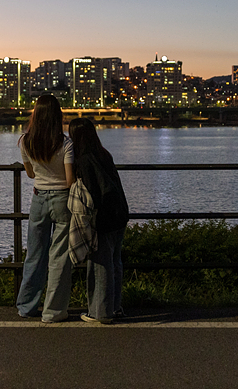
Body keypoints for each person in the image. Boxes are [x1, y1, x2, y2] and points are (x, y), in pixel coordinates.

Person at [16, 94, 75, 323]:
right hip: (62, 200)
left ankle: (26, 306)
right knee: (59, 257)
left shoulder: (26, 142)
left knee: (35, 254)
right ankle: (53, 311)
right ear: (57, 116)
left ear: (36, 115)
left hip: (38, 199)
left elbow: (30, 173)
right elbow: (70, 180)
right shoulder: (66, 143)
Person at [67, 117, 129, 324]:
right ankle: (114, 306)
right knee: (115, 262)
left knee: (100, 264)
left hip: (103, 216)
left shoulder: (84, 160)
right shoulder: (104, 154)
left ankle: (100, 312)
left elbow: (90, 193)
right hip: (119, 212)